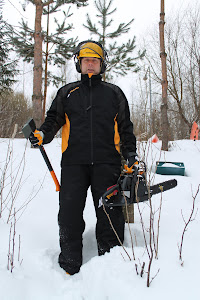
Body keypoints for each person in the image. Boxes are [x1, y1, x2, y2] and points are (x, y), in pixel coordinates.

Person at [29, 40, 137, 275]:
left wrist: (130, 156)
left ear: (102, 65)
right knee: (69, 214)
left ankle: (110, 265)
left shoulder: (114, 93)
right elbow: (52, 122)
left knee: (110, 213)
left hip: (107, 163)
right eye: (86, 60)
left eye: (95, 61)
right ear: (79, 64)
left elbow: (126, 129)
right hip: (73, 163)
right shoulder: (67, 93)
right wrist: (42, 134)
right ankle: (69, 265)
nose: (90, 64)